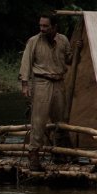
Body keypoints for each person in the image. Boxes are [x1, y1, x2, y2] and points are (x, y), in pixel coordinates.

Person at [18, 12, 72, 171]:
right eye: (40, 25)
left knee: (60, 120)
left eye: (45, 26)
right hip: (42, 82)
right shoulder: (33, 41)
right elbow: (25, 63)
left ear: (54, 27)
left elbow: (69, 60)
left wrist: (77, 49)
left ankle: (60, 154)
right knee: (39, 120)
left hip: (59, 82)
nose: (42, 29)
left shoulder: (63, 40)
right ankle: (34, 156)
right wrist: (25, 85)